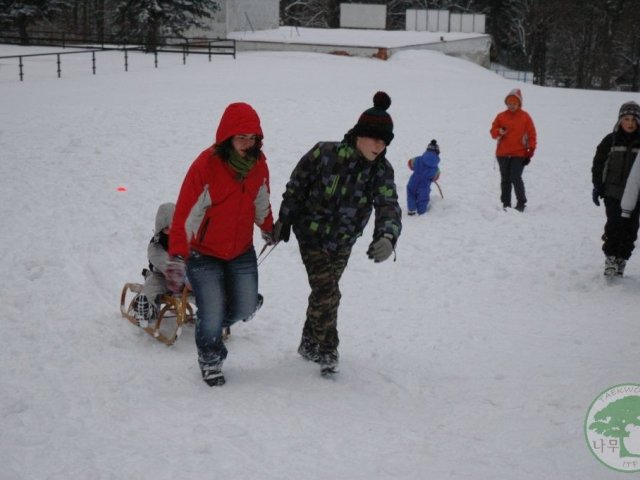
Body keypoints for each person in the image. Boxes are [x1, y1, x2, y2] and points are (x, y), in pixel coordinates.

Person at [272, 91, 402, 376]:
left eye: (385, 142)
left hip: (343, 242)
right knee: (328, 292)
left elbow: (388, 204)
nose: (379, 147)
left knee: (322, 294)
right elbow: (297, 184)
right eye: (375, 139)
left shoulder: (380, 171)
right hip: (311, 235)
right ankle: (328, 349)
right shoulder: (325, 153)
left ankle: (308, 343)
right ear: (359, 135)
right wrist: (284, 218)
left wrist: (387, 236)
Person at [166, 102, 274, 387]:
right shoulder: (207, 166)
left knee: (244, 308)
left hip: (241, 251)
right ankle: (211, 359)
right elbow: (186, 213)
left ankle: (215, 317)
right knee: (212, 311)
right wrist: (178, 255)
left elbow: (261, 198)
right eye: (241, 137)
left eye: (252, 137)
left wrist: (268, 227)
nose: (247, 143)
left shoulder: (258, 165)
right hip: (205, 254)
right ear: (227, 137)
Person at [591, 101, 640, 277]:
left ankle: (622, 258)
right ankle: (611, 257)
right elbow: (599, 164)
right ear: (620, 120)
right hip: (612, 192)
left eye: (634, 120)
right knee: (614, 225)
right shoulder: (610, 140)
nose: (630, 123)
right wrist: (598, 186)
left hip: (635, 196)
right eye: (626, 119)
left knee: (631, 229)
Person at [490, 88, 537, 212]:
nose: (511, 106)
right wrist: (498, 132)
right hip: (502, 154)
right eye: (509, 103)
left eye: (514, 103)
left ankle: (521, 203)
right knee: (505, 179)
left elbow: (532, 135)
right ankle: (506, 204)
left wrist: (530, 151)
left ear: (519, 103)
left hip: (519, 153)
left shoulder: (525, 117)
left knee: (516, 177)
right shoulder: (501, 116)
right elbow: (493, 133)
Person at [133, 202, 176, 328]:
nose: (171, 230)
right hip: (162, 275)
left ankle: (211, 313)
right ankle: (147, 310)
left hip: (188, 278)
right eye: (167, 228)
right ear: (160, 227)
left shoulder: (186, 238)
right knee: (151, 287)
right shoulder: (156, 245)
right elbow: (163, 262)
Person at [406, 139, 441, 215]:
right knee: (423, 199)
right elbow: (436, 177)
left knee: (411, 194)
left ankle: (411, 210)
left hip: (413, 182)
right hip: (424, 186)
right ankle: (421, 212)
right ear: (437, 153)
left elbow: (410, 163)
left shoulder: (418, 159)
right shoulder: (436, 169)